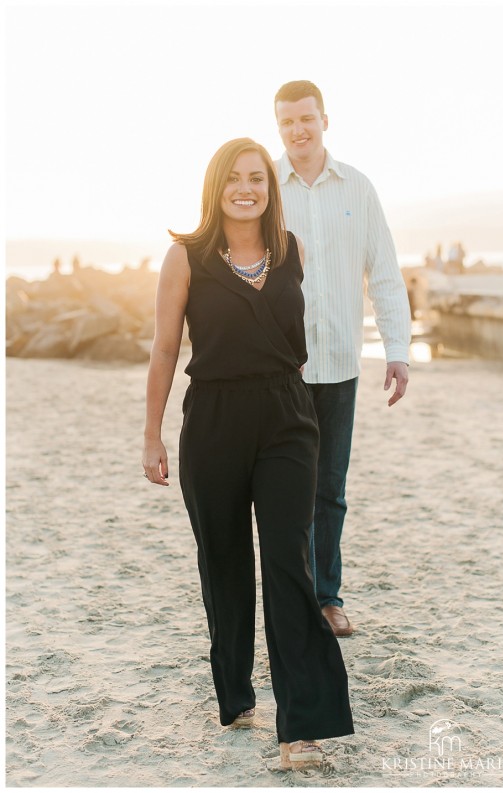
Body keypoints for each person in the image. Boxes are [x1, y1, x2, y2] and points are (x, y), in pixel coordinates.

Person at [142, 138, 354, 768]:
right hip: (213, 417)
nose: (247, 187)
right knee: (225, 562)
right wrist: (150, 433)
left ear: (271, 187)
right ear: (216, 186)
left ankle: (301, 728)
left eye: (257, 178)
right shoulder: (185, 257)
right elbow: (163, 349)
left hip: (288, 414)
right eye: (234, 178)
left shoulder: (292, 250)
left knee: (290, 560)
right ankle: (235, 695)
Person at [274, 81, 411, 637]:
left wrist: (397, 350)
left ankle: (328, 597)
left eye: (306, 119)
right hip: (281, 370)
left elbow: (383, 272)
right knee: (284, 492)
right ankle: (293, 597)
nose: (298, 130)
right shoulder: (266, 189)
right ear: (278, 126)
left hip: (340, 368)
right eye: (287, 123)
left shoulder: (358, 186)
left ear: (324, 120)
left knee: (329, 489)